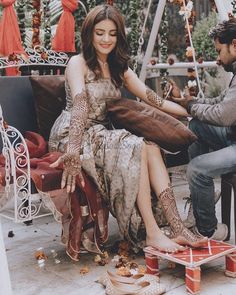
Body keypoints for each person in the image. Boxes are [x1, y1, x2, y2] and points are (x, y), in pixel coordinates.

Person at [49, 4, 207, 254]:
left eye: (112, 33)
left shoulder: (119, 67)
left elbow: (151, 98)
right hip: (74, 135)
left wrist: (194, 110)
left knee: (151, 147)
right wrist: (73, 150)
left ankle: (177, 227)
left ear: (119, 36)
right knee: (136, 146)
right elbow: (80, 104)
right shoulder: (77, 63)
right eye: (100, 32)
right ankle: (153, 233)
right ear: (89, 33)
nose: (106, 39)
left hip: (102, 133)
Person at [172, 18, 236, 240]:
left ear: (234, 45)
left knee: (197, 169)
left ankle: (208, 230)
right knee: (196, 126)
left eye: (219, 51)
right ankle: (202, 201)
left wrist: (190, 106)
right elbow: (221, 101)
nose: (218, 59)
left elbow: (223, 115)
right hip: (232, 136)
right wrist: (190, 102)